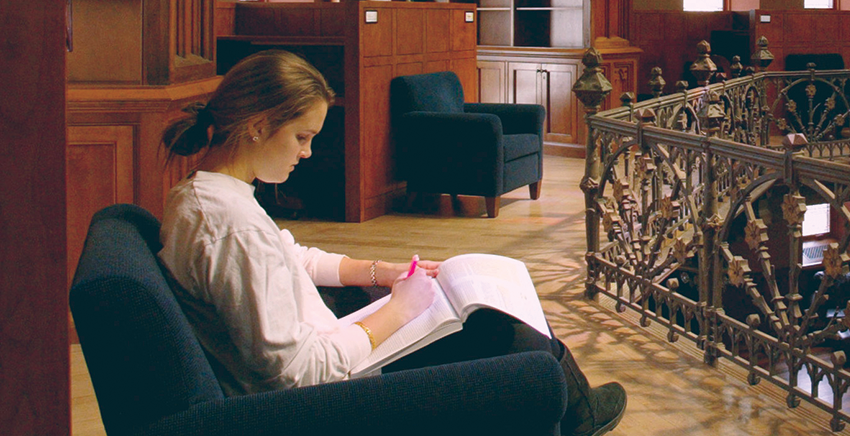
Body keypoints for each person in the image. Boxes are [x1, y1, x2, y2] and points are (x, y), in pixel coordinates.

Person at [157, 49, 626, 435]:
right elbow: (298, 373)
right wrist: (399, 309)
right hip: (330, 398)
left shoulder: (208, 196)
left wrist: (383, 271)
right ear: (259, 123)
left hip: (332, 348)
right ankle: (574, 413)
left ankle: (571, 410)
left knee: (492, 316)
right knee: (503, 329)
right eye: (302, 136)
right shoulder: (229, 226)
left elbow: (288, 257)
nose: (308, 152)